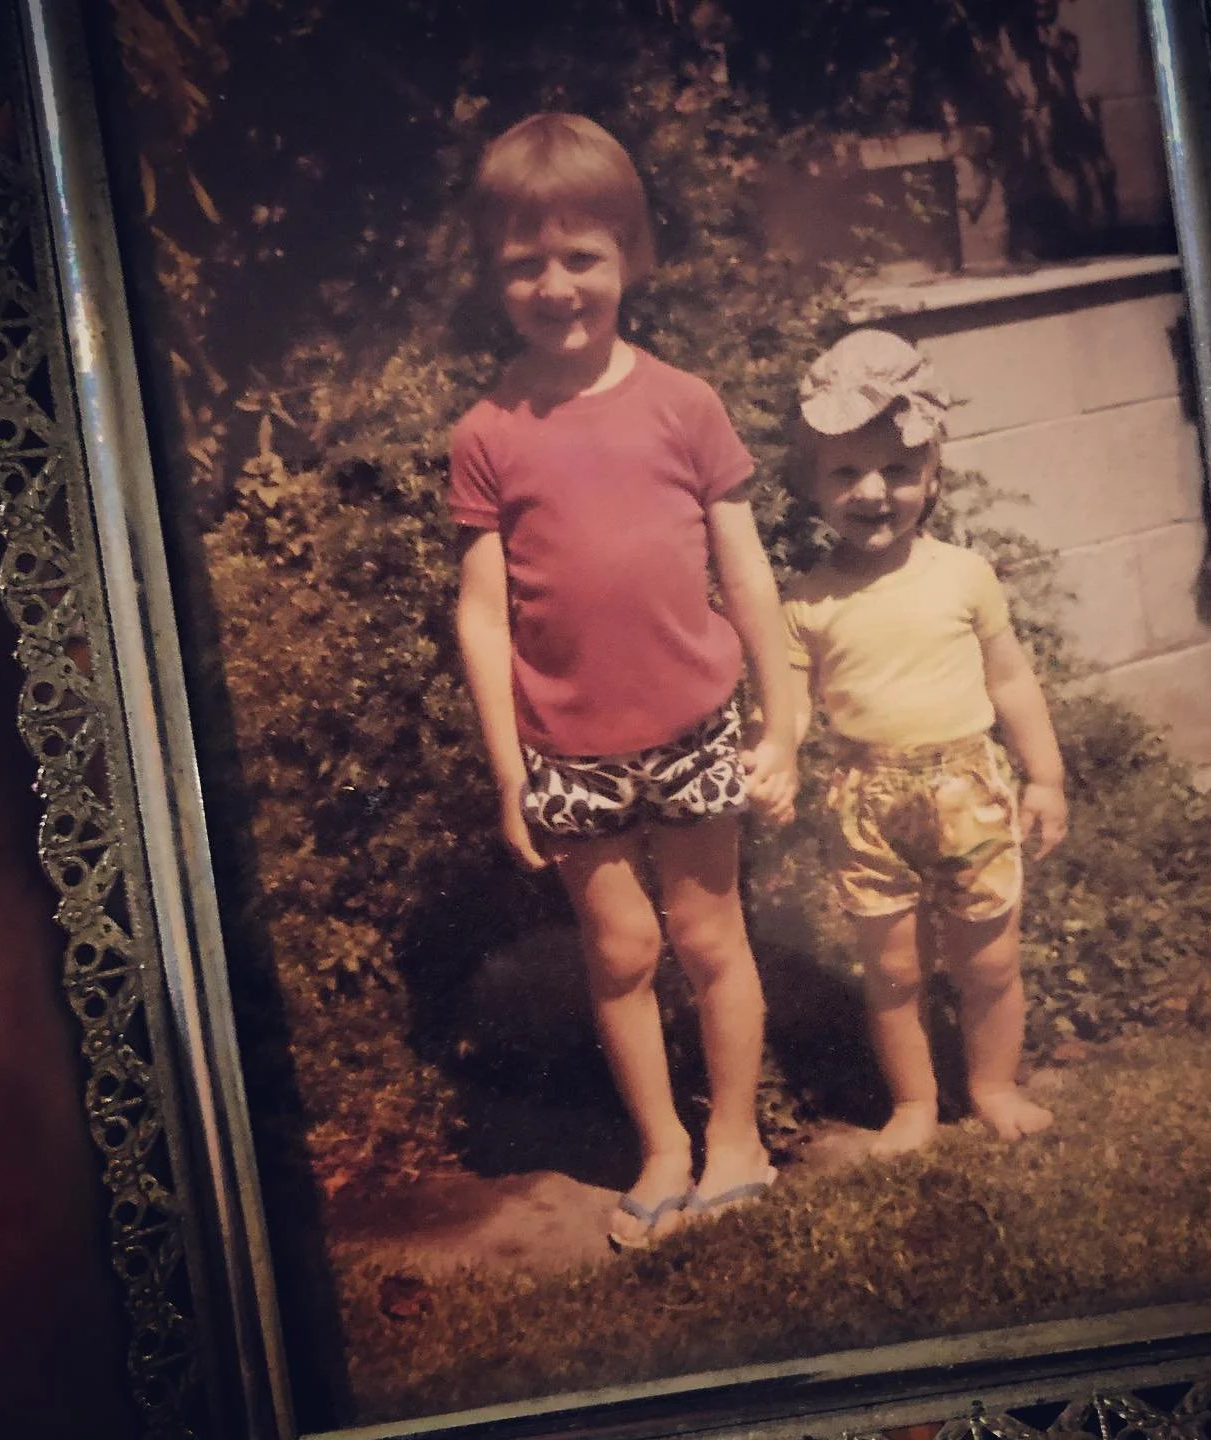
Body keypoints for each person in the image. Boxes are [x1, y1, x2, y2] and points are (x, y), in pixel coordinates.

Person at [447, 113, 797, 1248]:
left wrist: (782, 724)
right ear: (494, 275)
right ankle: (662, 1146)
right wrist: (511, 776)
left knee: (708, 936)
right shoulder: (486, 433)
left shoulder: (685, 402)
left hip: (697, 725)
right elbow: (484, 612)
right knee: (622, 951)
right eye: (525, 263)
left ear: (634, 257)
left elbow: (746, 571)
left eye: (582, 256)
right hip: (567, 750)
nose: (556, 284)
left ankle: (737, 1136)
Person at [783, 329, 1066, 1157]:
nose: (875, 491)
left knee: (988, 964)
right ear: (811, 486)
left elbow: (1012, 683)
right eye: (847, 472)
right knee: (895, 973)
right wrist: (774, 757)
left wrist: (1044, 778)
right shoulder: (805, 602)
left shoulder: (964, 576)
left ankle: (992, 1087)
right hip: (866, 805)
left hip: (969, 789)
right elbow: (794, 711)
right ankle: (912, 1106)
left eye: (900, 470)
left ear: (933, 477)